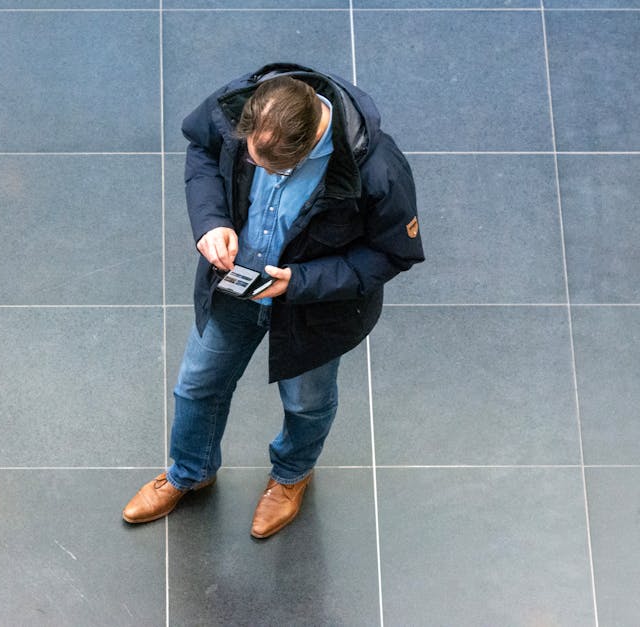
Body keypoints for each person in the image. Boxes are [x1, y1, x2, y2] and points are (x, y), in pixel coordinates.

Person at [123, 63, 424, 538]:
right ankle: (190, 473)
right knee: (197, 385)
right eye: (250, 157)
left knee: (306, 402)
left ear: (306, 149)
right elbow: (202, 148)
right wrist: (212, 222)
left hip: (314, 307)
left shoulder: (378, 168)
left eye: (272, 167)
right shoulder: (240, 107)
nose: (254, 169)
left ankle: (290, 477)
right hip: (234, 284)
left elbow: (392, 253)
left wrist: (301, 281)